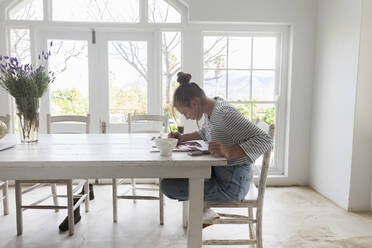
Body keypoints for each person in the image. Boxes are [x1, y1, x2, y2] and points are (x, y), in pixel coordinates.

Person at [160, 72, 273, 225]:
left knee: (168, 186)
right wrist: (182, 138)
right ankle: (202, 208)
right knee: (175, 176)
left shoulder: (224, 114)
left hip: (231, 186)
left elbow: (265, 140)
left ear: (194, 102)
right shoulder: (210, 110)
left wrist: (229, 151)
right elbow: (205, 132)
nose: (186, 117)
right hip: (218, 175)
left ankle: (203, 209)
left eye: (185, 113)